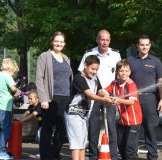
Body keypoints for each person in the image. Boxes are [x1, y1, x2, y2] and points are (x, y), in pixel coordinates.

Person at [78, 29, 121, 160]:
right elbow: (81, 73)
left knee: (111, 126)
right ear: (97, 40)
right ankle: (93, 156)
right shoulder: (89, 54)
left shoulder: (115, 55)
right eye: (102, 39)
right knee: (93, 127)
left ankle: (113, 156)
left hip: (109, 95)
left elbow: (120, 75)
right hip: (93, 96)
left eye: (107, 40)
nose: (105, 42)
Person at [65, 55, 113, 160]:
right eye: (92, 69)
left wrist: (107, 96)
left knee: (82, 142)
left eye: (96, 69)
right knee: (76, 144)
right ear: (85, 65)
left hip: (85, 114)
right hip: (73, 114)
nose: (94, 71)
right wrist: (104, 100)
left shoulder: (95, 78)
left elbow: (99, 90)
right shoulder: (79, 78)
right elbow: (89, 94)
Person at [127, 34, 162, 160]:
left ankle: (153, 156)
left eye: (147, 45)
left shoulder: (156, 61)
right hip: (134, 100)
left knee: (151, 129)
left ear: (150, 45)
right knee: (133, 130)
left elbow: (160, 81)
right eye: (142, 44)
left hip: (150, 100)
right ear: (137, 45)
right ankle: (132, 156)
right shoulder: (130, 61)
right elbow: (124, 80)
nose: (144, 47)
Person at [36, 31, 73, 160]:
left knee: (62, 129)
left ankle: (55, 153)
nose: (59, 43)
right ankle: (46, 156)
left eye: (61, 41)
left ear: (64, 43)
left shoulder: (66, 58)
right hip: (51, 97)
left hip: (65, 98)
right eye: (56, 41)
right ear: (52, 41)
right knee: (47, 128)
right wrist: (43, 99)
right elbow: (39, 78)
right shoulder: (45, 56)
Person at [103, 59, 143, 160]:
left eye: (126, 71)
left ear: (130, 72)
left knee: (130, 149)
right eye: (121, 71)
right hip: (122, 121)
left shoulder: (131, 84)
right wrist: (106, 96)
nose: (124, 73)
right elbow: (102, 91)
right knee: (121, 146)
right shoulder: (114, 83)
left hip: (134, 121)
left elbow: (131, 102)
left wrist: (118, 100)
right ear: (117, 72)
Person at [0, 58, 20, 159]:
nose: (13, 73)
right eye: (14, 71)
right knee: (5, 129)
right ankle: (1, 152)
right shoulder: (7, 75)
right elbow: (13, 89)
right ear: (10, 68)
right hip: (4, 106)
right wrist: (18, 91)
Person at [17, 90, 42, 157]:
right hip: (40, 124)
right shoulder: (31, 106)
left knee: (40, 137)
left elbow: (32, 115)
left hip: (46, 124)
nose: (29, 100)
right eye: (28, 98)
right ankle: (43, 151)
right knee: (38, 138)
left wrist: (21, 121)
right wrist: (19, 119)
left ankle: (43, 152)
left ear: (37, 99)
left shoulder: (39, 106)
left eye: (31, 99)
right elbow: (26, 113)